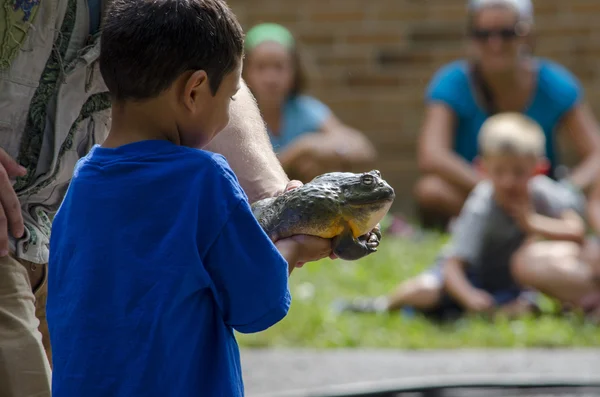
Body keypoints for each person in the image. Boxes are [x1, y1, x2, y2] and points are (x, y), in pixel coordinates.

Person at [0, 0, 322, 396]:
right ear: (195, 90)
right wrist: (294, 247)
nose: (226, 116)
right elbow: (258, 303)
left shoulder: (76, 188)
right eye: (230, 96)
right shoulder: (205, 181)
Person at [336, 113, 590, 321]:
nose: (508, 181)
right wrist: (469, 297)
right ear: (482, 168)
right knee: (424, 291)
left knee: (527, 308)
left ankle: (477, 313)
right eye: (499, 171)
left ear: (539, 168)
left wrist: (533, 223)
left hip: (511, 284)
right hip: (465, 278)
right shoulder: (483, 204)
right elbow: (452, 265)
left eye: (519, 172)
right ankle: (383, 305)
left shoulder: (542, 192)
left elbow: (577, 230)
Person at [414, 0, 600, 230]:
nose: (495, 43)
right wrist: (495, 188)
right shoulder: (452, 82)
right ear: (472, 38)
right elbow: (431, 154)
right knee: (431, 190)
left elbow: (596, 153)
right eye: (483, 34)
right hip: (477, 193)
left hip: (538, 197)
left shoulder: (553, 83)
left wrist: (567, 189)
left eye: (507, 33)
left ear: (527, 35)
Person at [242, 22, 377, 183]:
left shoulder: (304, 109)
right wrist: (297, 152)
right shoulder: (238, 115)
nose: (271, 78)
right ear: (244, 71)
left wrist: (313, 147)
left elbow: (363, 149)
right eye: (261, 67)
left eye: (279, 67)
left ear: (294, 71)